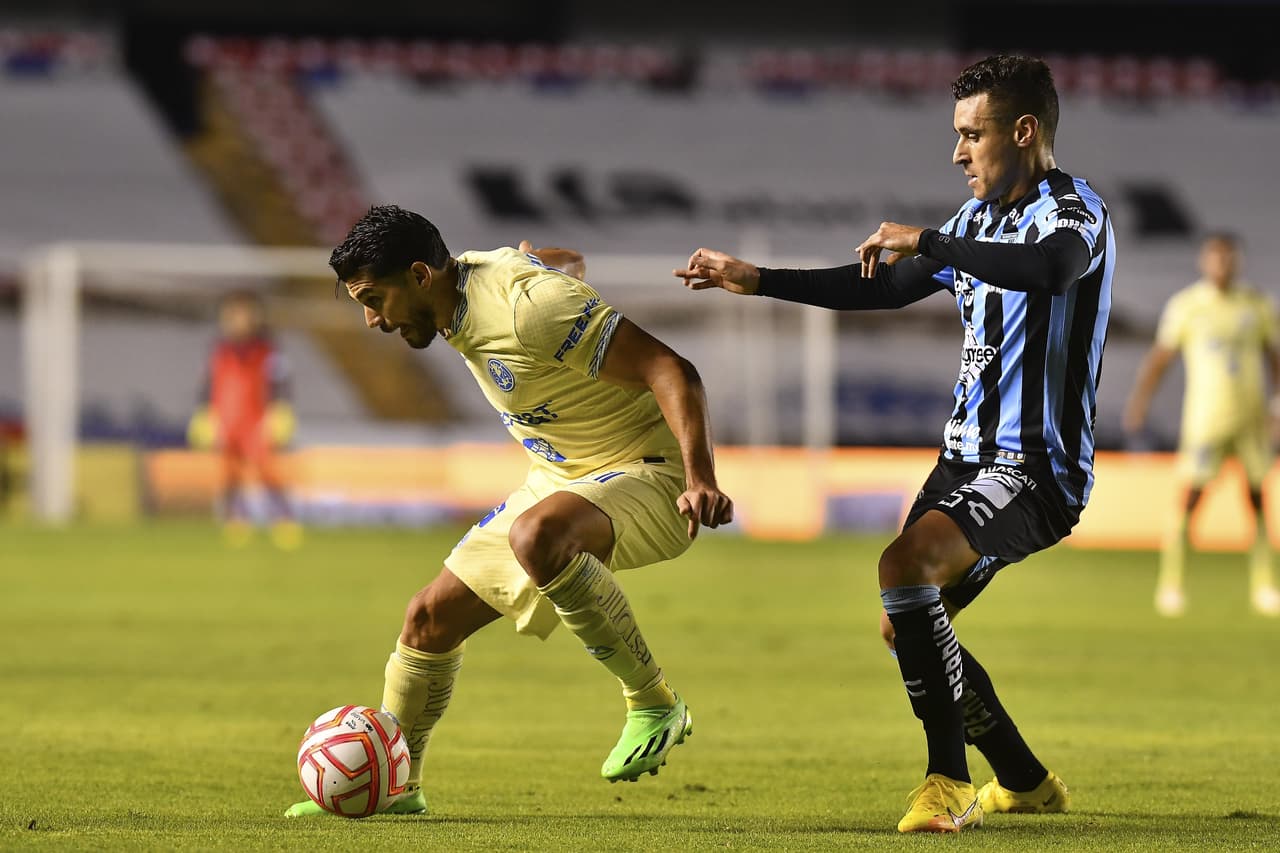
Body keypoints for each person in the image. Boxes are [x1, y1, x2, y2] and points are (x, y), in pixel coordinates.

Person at [675, 54, 1113, 833]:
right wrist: (759, 278)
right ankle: (1024, 779)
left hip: (1033, 466)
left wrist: (932, 242)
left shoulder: (1073, 211)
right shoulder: (975, 222)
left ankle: (947, 781)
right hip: (961, 460)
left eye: (972, 134)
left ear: (1023, 131)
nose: (958, 152)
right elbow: (880, 286)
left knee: (902, 568)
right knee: (905, 621)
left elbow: (1051, 270)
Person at [286, 205, 733, 817]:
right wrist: (552, 269)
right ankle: (397, 785)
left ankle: (653, 701)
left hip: (653, 474)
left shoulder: (526, 311)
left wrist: (701, 478)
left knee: (538, 535)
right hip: (561, 477)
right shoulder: (474, 289)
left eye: (374, 299)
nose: (372, 320)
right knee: (428, 619)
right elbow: (557, 264)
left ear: (419, 275)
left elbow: (671, 369)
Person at [1122, 232, 1280, 617]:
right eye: (1216, 257)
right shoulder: (1187, 306)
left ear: (1238, 261)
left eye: (1229, 258)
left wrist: (1277, 406)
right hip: (1206, 420)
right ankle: (1172, 584)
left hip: (1251, 420)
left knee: (1258, 500)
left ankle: (1264, 586)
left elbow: (1274, 359)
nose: (1222, 264)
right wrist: (1139, 403)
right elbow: (1160, 359)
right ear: (1204, 261)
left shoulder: (1257, 304)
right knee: (1191, 498)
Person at [187, 289, 301, 549]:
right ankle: (236, 520)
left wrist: (280, 411)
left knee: (267, 470)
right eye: (231, 315)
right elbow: (206, 384)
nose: (236, 321)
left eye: (242, 315)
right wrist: (204, 413)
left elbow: (281, 382)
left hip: (256, 420)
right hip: (227, 419)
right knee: (229, 473)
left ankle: (283, 519)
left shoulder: (267, 350)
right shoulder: (219, 350)